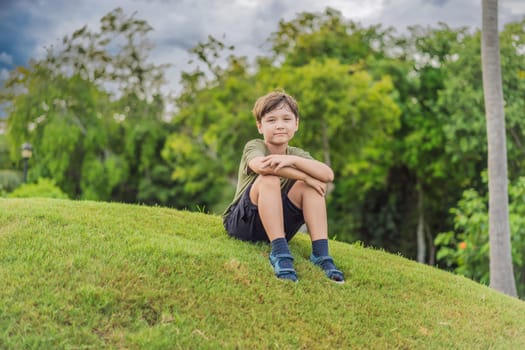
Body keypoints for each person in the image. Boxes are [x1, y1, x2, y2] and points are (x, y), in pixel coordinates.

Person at [222, 90, 344, 283]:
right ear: (260, 126)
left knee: (310, 187)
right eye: (271, 120)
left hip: (279, 223)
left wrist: (291, 161)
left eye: (286, 119)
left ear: (296, 124)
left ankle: (321, 254)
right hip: (244, 224)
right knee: (269, 178)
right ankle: (279, 253)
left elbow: (327, 175)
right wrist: (306, 175)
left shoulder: (296, 153)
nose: (279, 126)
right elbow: (262, 166)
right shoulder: (254, 146)